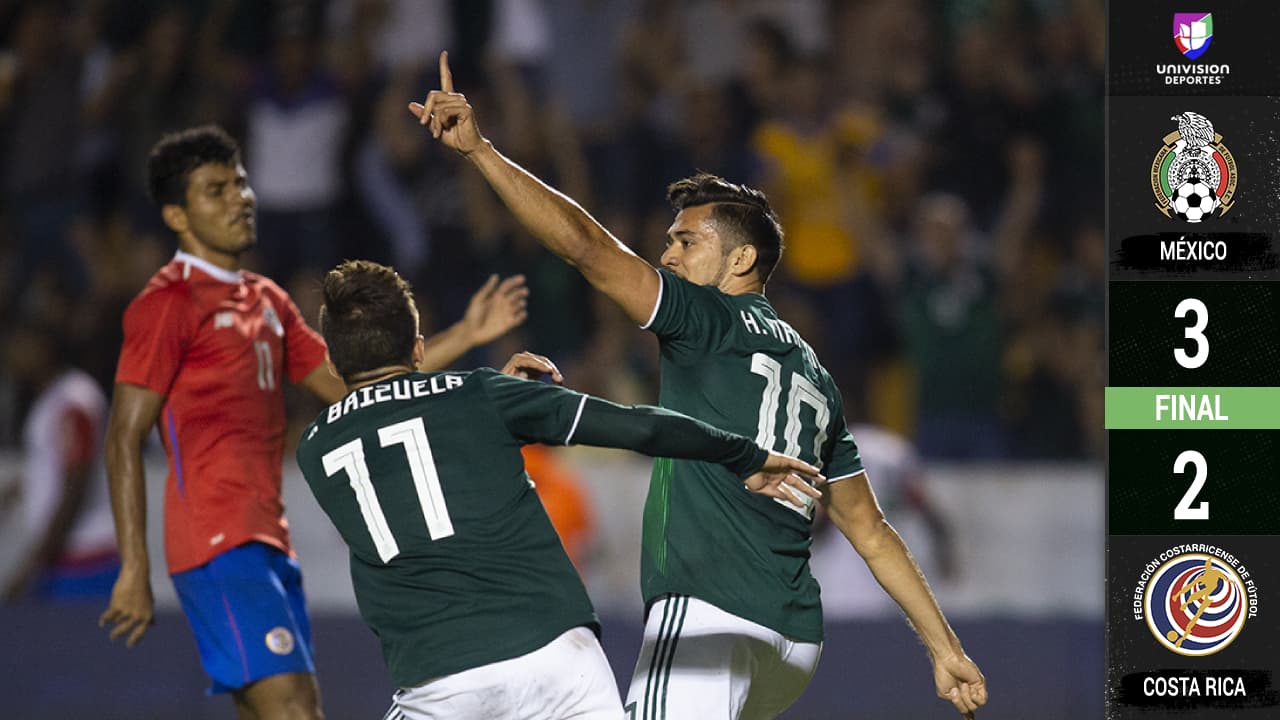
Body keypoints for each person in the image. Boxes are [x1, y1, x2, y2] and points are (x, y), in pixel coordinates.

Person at [410, 52, 987, 718]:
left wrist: (480, 151)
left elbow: (589, 250)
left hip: (712, 608)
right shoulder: (817, 376)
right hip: (791, 640)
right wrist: (943, 647)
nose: (667, 255)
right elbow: (872, 530)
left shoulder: (706, 318)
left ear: (740, 260)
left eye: (685, 242)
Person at [98, 125, 529, 719]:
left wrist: (465, 336)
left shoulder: (266, 300)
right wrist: (133, 567)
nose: (239, 199)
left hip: (270, 540)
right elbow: (122, 435)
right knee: (296, 710)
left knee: (283, 710)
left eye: (241, 183)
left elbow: (357, 383)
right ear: (176, 214)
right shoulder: (167, 304)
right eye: (215, 190)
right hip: (217, 542)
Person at [295, 259, 824, 720]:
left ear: (335, 363)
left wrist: (484, 405)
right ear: (417, 346)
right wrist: (745, 455)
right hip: (560, 662)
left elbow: (406, 457)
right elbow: (638, 427)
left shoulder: (314, 450)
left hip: (441, 685)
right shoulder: (479, 395)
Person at [3, 320, 118, 603]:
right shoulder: (51, 399)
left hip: (84, 560)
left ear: (45, 348)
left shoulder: (73, 400)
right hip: (64, 558)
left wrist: (34, 565)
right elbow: (53, 468)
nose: (10, 354)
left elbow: (76, 484)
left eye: (20, 345)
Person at [809, 423, 956, 619]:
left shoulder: (833, 449)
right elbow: (927, 511)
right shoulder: (895, 451)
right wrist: (945, 554)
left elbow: (821, 521)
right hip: (887, 585)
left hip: (839, 588)